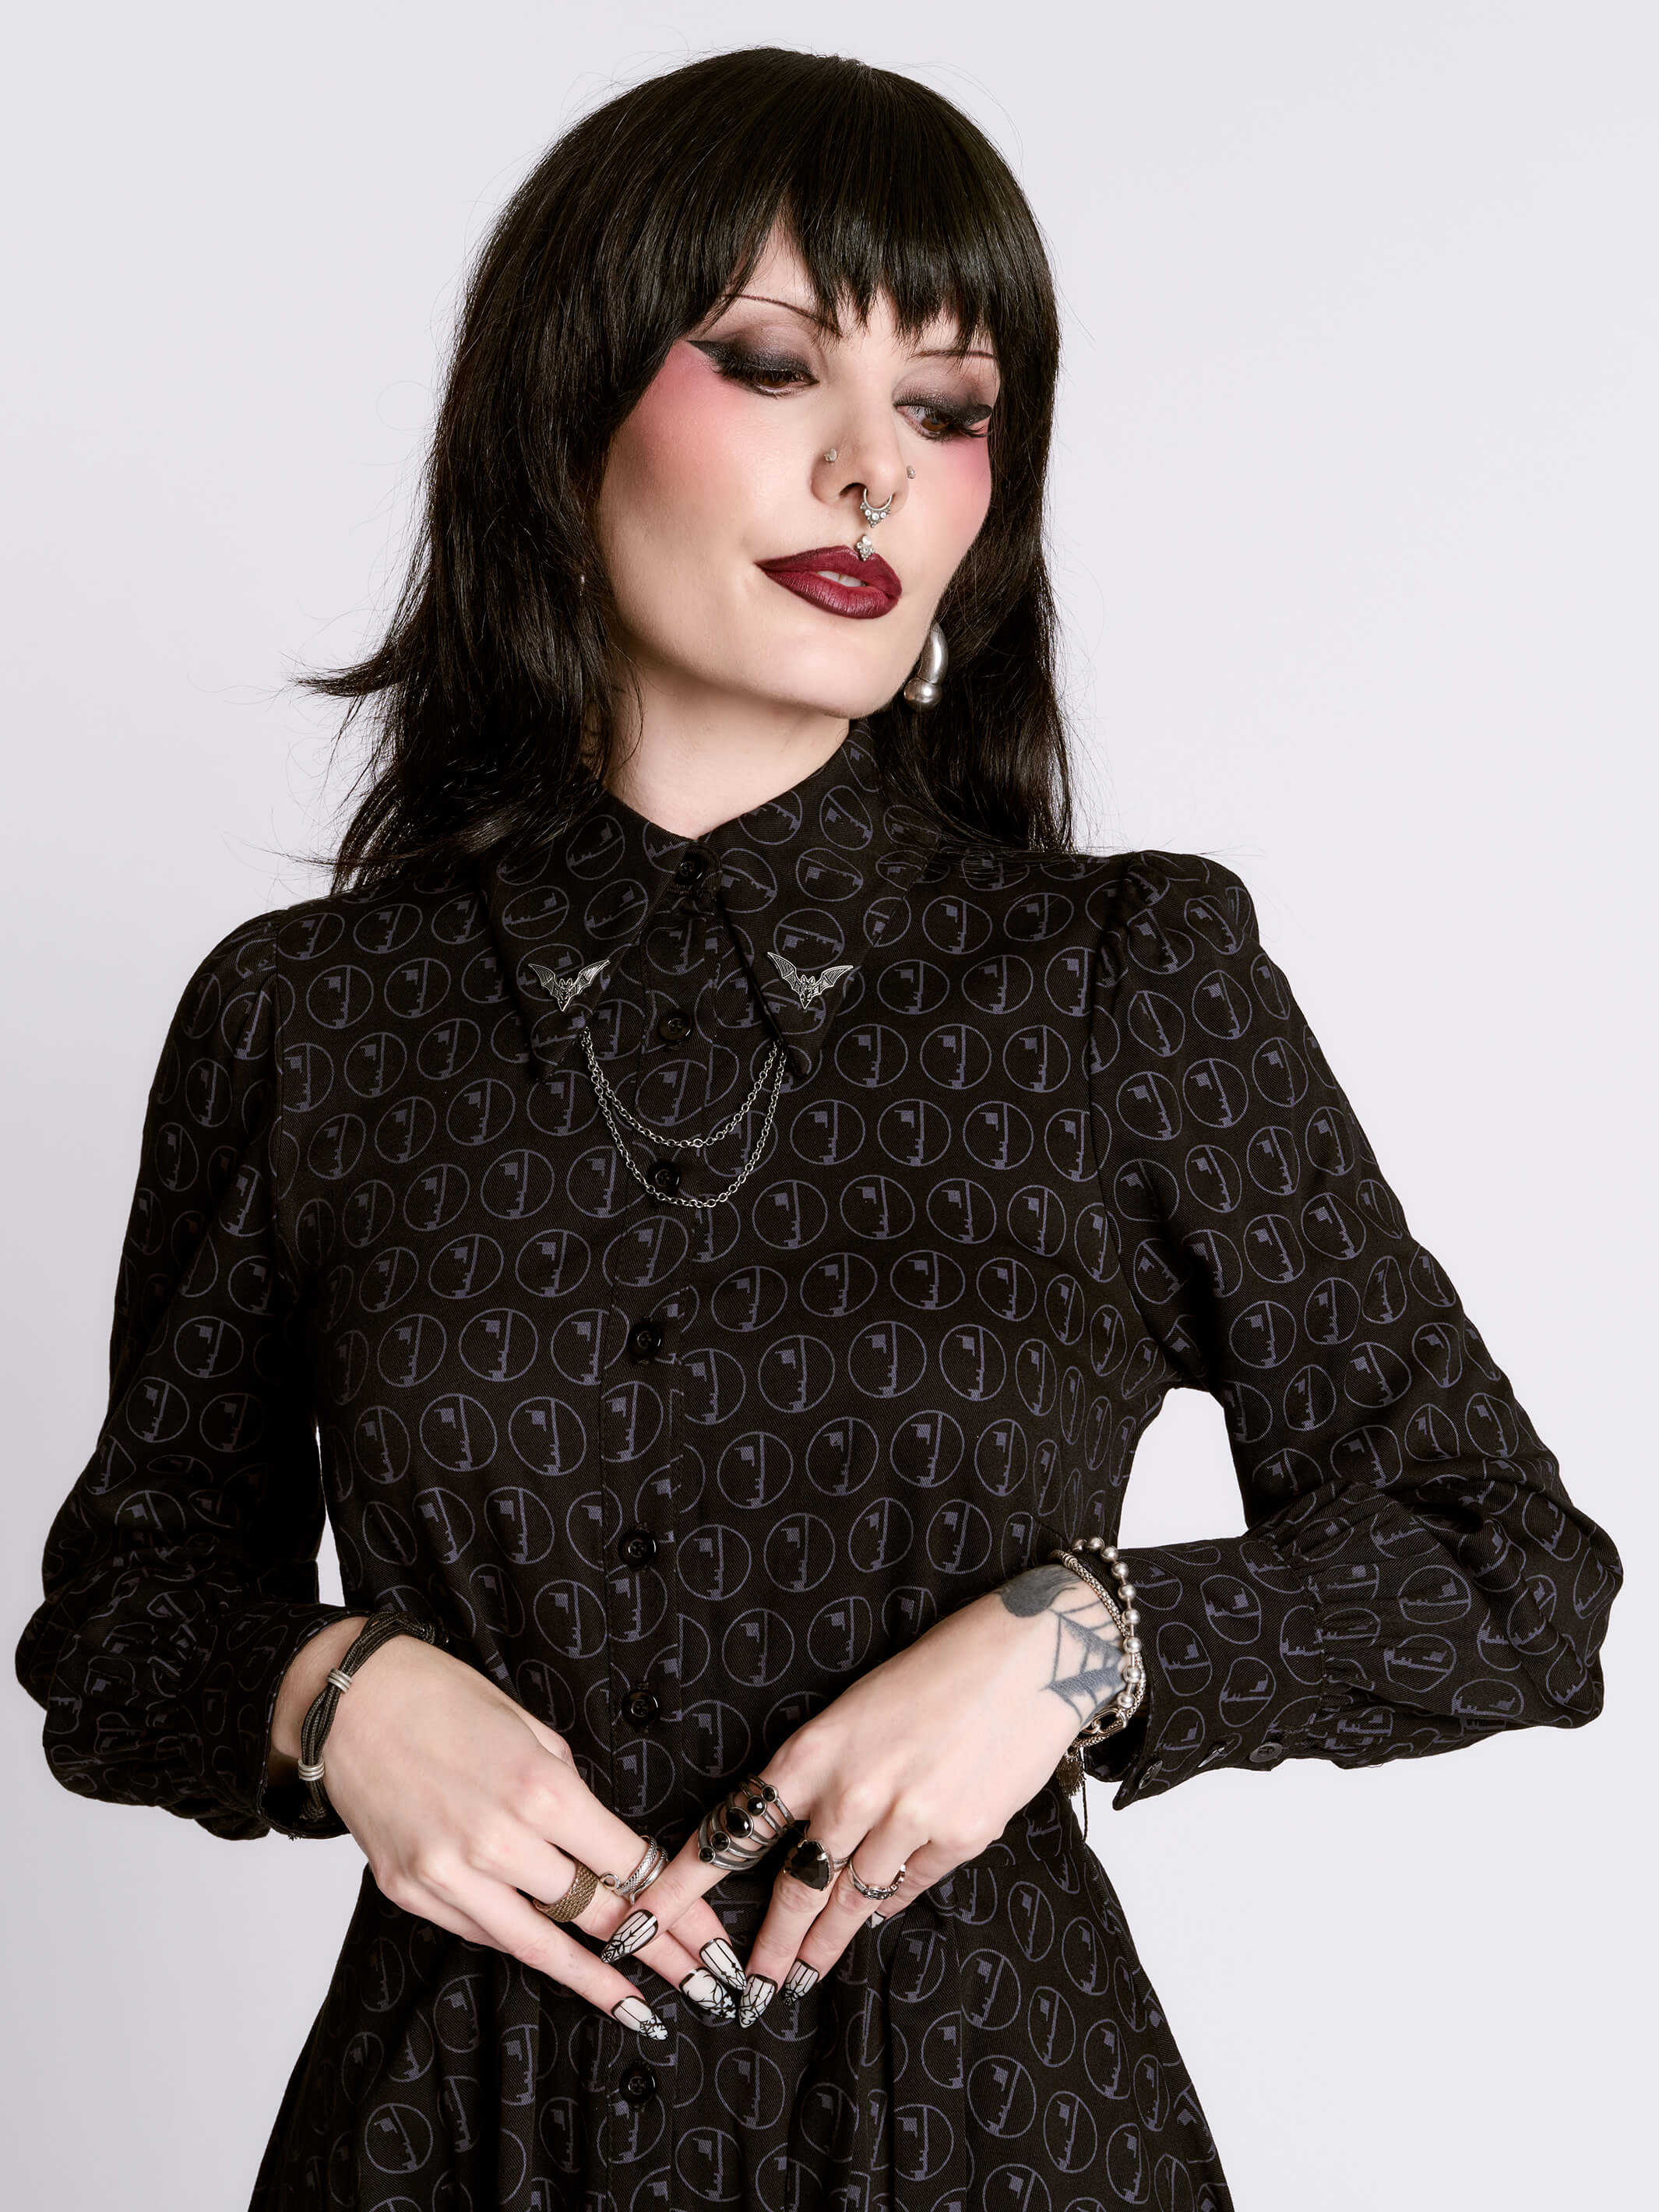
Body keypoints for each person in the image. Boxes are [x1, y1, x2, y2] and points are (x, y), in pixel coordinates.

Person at [16, 47, 1622, 2212]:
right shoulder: (312, 1019)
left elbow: (1506, 1570)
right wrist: (338, 1691)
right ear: (562, 412)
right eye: (774, 367)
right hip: (452, 2145)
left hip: (993, 2138)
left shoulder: (1121, 983)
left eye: (947, 409)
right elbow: (123, 1628)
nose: (872, 468)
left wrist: (1074, 1644)